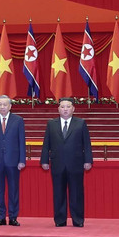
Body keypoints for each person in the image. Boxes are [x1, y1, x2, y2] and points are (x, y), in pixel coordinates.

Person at [40, 97, 93, 227]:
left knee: (76, 193)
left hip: (76, 164)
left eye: (68, 107)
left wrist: (88, 160)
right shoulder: (51, 124)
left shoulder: (80, 123)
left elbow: (87, 144)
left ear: (73, 109)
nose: (65, 109)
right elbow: (46, 143)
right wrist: (44, 160)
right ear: (58, 109)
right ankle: (60, 220)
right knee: (58, 193)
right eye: (62, 107)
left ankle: (78, 220)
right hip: (57, 164)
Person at [0, 95, 26, 226]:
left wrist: (22, 160)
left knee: (13, 190)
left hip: (13, 161)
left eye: (5, 105)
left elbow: (21, 142)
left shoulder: (18, 120)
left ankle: (13, 217)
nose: (2, 107)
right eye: (0, 104)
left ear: (10, 106)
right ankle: (1, 217)